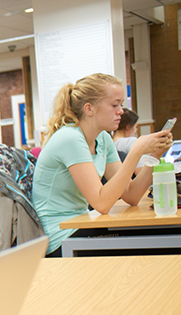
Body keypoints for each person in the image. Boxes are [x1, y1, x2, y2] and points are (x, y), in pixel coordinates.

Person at [31, 73, 173, 256]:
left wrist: (154, 156)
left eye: (121, 104)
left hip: (80, 225)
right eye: (114, 105)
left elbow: (131, 195)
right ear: (89, 109)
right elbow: (101, 203)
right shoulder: (70, 138)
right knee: (157, 243)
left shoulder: (103, 139)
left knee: (163, 237)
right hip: (60, 238)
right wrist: (136, 151)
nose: (121, 111)